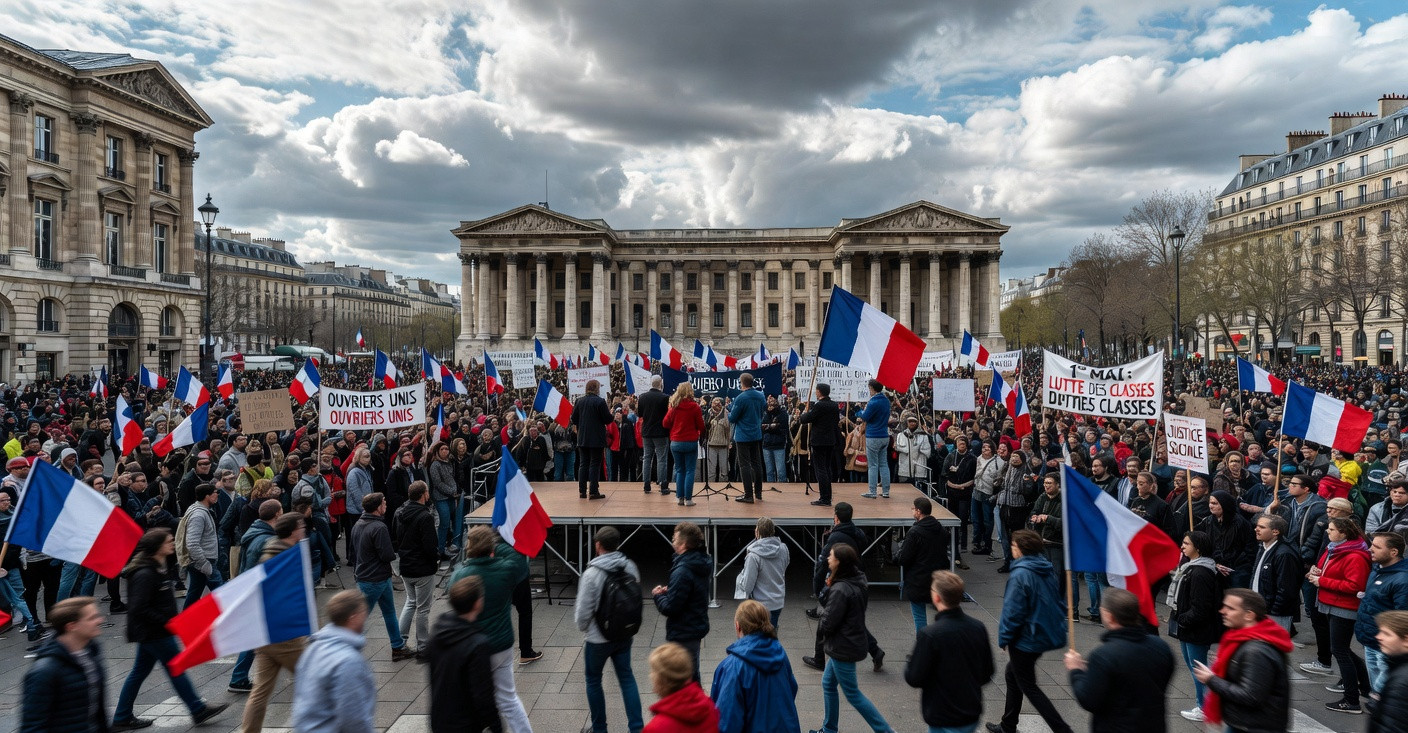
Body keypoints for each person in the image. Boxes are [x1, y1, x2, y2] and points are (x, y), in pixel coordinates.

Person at [111, 528, 229, 729]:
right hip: (154, 632)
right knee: (176, 667)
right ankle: (197, 709)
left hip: (152, 632)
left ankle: (122, 716)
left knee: (139, 672)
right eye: (168, 541)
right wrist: (166, 622)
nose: (172, 544)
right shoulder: (145, 573)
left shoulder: (156, 567)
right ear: (157, 547)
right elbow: (139, 607)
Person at [451, 526, 533, 733]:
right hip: (502, 644)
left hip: (473, 649)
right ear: (491, 547)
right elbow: (521, 563)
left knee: (470, 698)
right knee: (509, 698)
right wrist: (499, 546)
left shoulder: (461, 575)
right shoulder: (505, 570)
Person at [988, 529, 1071, 733]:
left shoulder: (1020, 575)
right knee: (1012, 675)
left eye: (1014, 546)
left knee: (1029, 686)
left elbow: (1012, 612)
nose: (1011, 549)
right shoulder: (1045, 568)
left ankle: (1062, 729)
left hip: (1026, 638)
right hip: (1040, 633)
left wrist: (1004, 639)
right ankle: (1008, 724)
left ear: (1021, 550)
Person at [1064, 587, 1174, 733]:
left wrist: (1076, 670)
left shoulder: (1104, 655)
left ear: (1110, 616)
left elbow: (1088, 699)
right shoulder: (1161, 646)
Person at [239, 513, 310, 733]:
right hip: (285, 636)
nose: (304, 528)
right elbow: (283, 598)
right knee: (314, 680)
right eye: (301, 526)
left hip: (266, 636)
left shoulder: (271, 552)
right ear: (292, 531)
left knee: (260, 691)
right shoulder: (282, 559)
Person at [813, 543, 894, 733]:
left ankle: (885, 731)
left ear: (839, 562)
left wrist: (823, 616)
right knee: (828, 683)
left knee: (853, 694)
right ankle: (829, 729)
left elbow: (829, 620)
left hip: (843, 646)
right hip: (847, 642)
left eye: (831, 556)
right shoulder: (857, 579)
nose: (827, 558)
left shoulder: (841, 589)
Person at [1192, 589, 1293, 733]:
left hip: (1254, 727)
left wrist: (1211, 679)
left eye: (1230, 608)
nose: (1222, 611)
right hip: (1244, 723)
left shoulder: (1256, 651)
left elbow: (1251, 696)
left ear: (1249, 615)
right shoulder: (1240, 639)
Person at [575, 526, 645, 733]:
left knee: (593, 680)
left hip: (598, 639)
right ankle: (637, 727)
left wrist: (585, 628)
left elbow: (582, 614)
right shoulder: (630, 566)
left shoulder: (591, 574)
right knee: (626, 677)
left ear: (598, 545)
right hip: (625, 633)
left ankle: (600, 728)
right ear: (617, 545)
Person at [906, 571, 994, 733]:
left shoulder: (930, 634)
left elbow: (914, 677)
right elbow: (987, 671)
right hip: (971, 712)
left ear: (937, 597)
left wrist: (910, 663)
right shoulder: (978, 627)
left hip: (943, 716)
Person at [291, 590, 377, 733]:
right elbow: (354, 719)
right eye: (364, 612)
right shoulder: (348, 662)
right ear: (353, 618)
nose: (366, 616)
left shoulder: (314, 648)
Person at [1310, 516, 1372, 713]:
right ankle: (1365, 687)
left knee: (1340, 651)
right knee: (1344, 650)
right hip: (1330, 604)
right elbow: (1327, 572)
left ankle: (1351, 700)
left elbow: (1356, 585)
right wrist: (1317, 572)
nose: (1327, 533)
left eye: (1331, 530)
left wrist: (1323, 582)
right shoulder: (1334, 549)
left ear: (1343, 533)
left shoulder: (1354, 555)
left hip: (1344, 609)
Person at [19, 596, 109, 733]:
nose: (100, 620)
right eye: (92, 618)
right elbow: (33, 726)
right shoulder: (45, 671)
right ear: (72, 626)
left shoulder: (90, 652)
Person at [711, 600, 800, 733]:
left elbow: (727, 720)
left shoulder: (732, 666)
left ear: (738, 626)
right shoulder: (779, 653)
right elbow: (792, 687)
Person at [428, 575, 502, 733]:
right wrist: (496, 725)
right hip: (465, 724)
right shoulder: (477, 644)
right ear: (477, 603)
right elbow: (483, 694)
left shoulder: (438, 631)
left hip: (440, 720)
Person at [1167, 530, 1223, 722]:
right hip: (1190, 627)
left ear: (1197, 548)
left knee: (1198, 669)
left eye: (1186, 544)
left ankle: (1205, 707)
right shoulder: (1193, 567)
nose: (1182, 546)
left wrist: (1183, 619)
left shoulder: (1200, 573)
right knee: (1195, 667)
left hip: (1196, 629)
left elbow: (1201, 607)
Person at [352, 492, 414, 661]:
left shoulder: (359, 524)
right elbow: (387, 555)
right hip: (375, 579)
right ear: (378, 507)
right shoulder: (379, 527)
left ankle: (398, 645)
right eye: (384, 503)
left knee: (389, 612)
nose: (386, 505)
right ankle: (347, 649)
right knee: (360, 618)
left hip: (370, 576)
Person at [652, 521, 711, 681]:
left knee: (684, 678)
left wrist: (658, 596)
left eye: (674, 539)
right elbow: (692, 592)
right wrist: (672, 591)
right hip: (695, 626)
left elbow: (671, 608)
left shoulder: (683, 570)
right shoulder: (700, 561)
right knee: (692, 673)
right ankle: (698, 704)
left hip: (683, 631)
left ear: (684, 543)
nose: (672, 541)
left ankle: (695, 705)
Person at [1358, 533, 1408, 694]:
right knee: (1377, 691)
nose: (1370, 549)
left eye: (1377, 547)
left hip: (1387, 647)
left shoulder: (1402, 580)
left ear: (1394, 552)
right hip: (1371, 640)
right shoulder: (1378, 570)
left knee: (1382, 694)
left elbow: (1402, 617)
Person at [394, 481, 439, 658]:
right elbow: (430, 545)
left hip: (405, 565)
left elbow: (395, 536)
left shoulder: (399, 512)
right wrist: (434, 561)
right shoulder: (425, 516)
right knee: (423, 608)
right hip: (422, 568)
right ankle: (423, 646)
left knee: (410, 602)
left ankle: (400, 642)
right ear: (424, 494)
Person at [897, 496, 952, 633]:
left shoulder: (914, 532)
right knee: (943, 613)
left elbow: (904, 558)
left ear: (919, 511)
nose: (913, 511)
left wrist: (896, 555)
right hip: (938, 578)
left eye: (914, 509)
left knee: (919, 615)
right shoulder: (941, 529)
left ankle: (923, 644)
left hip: (918, 579)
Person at [643, 642, 719, 733]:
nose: (650, 675)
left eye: (653, 671)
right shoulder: (709, 706)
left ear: (661, 680)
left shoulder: (656, 728)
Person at [735, 517, 789, 629]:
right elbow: (785, 565)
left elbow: (747, 585)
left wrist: (740, 578)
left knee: (760, 638)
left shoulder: (753, 556)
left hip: (759, 605)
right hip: (778, 601)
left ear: (757, 531)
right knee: (771, 634)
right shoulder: (783, 549)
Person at [1250, 513, 1302, 631]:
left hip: (1275, 614)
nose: (1256, 529)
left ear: (1275, 532)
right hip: (1260, 609)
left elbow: (1286, 589)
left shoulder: (1284, 554)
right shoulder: (1262, 548)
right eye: (1257, 526)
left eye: (1262, 527)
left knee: (1272, 647)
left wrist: (1274, 611)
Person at [179, 482, 222, 609]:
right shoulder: (199, 515)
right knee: (221, 592)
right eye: (216, 493)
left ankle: (184, 622)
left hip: (201, 561)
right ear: (207, 496)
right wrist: (204, 564)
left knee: (194, 593)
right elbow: (192, 543)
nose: (218, 495)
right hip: (204, 561)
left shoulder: (200, 510)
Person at [797, 382, 842, 506]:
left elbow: (805, 419)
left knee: (820, 469)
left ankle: (825, 498)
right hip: (830, 440)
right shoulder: (834, 405)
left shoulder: (819, 406)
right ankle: (828, 495)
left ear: (819, 392)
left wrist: (803, 414)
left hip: (819, 441)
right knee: (827, 468)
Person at [661, 382, 705, 506]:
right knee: (690, 470)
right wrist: (702, 434)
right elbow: (701, 425)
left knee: (680, 470)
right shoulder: (695, 407)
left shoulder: (673, 406)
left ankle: (679, 498)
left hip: (676, 442)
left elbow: (665, 423)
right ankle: (688, 499)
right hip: (690, 441)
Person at [729, 372, 767, 503]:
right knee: (757, 463)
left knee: (744, 465)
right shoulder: (760, 396)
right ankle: (758, 492)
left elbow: (732, 418)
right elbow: (763, 410)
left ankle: (748, 494)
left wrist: (729, 411)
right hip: (756, 434)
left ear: (742, 382)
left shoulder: (741, 398)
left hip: (743, 436)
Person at [572, 379, 612, 499]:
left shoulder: (579, 401)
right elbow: (608, 419)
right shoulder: (600, 402)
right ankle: (593, 491)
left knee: (583, 464)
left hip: (582, 437)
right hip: (596, 438)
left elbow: (573, 419)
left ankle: (582, 491)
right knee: (595, 464)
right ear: (596, 388)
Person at [1370, 609, 1408, 733]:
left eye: (1387, 634)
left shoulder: (1401, 682)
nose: (1378, 637)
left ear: (1406, 640)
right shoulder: (1398, 669)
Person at [639, 375, 672, 494]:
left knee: (647, 458)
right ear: (660, 384)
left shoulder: (642, 397)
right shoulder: (664, 398)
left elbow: (640, 414)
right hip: (660, 432)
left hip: (647, 432)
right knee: (661, 458)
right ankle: (663, 484)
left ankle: (646, 484)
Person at [859, 379, 891, 499]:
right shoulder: (886, 401)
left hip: (873, 436)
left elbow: (865, 417)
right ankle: (886, 491)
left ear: (872, 388)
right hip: (884, 435)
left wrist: (861, 411)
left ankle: (872, 491)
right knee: (884, 464)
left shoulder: (873, 402)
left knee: (872, 465)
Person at [761, 394, 790, 484]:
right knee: (769, 472)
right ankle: (771, 489)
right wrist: (772, 426)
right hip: (767, 445)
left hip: (779, 445)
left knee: (780, 472)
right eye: (769, 402)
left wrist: (768, 427)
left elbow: (782, 428)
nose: (770, 404)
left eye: (773, 402)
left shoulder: (783, 413)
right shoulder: (765, 413)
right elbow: (762, 427)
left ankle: (783, 491)